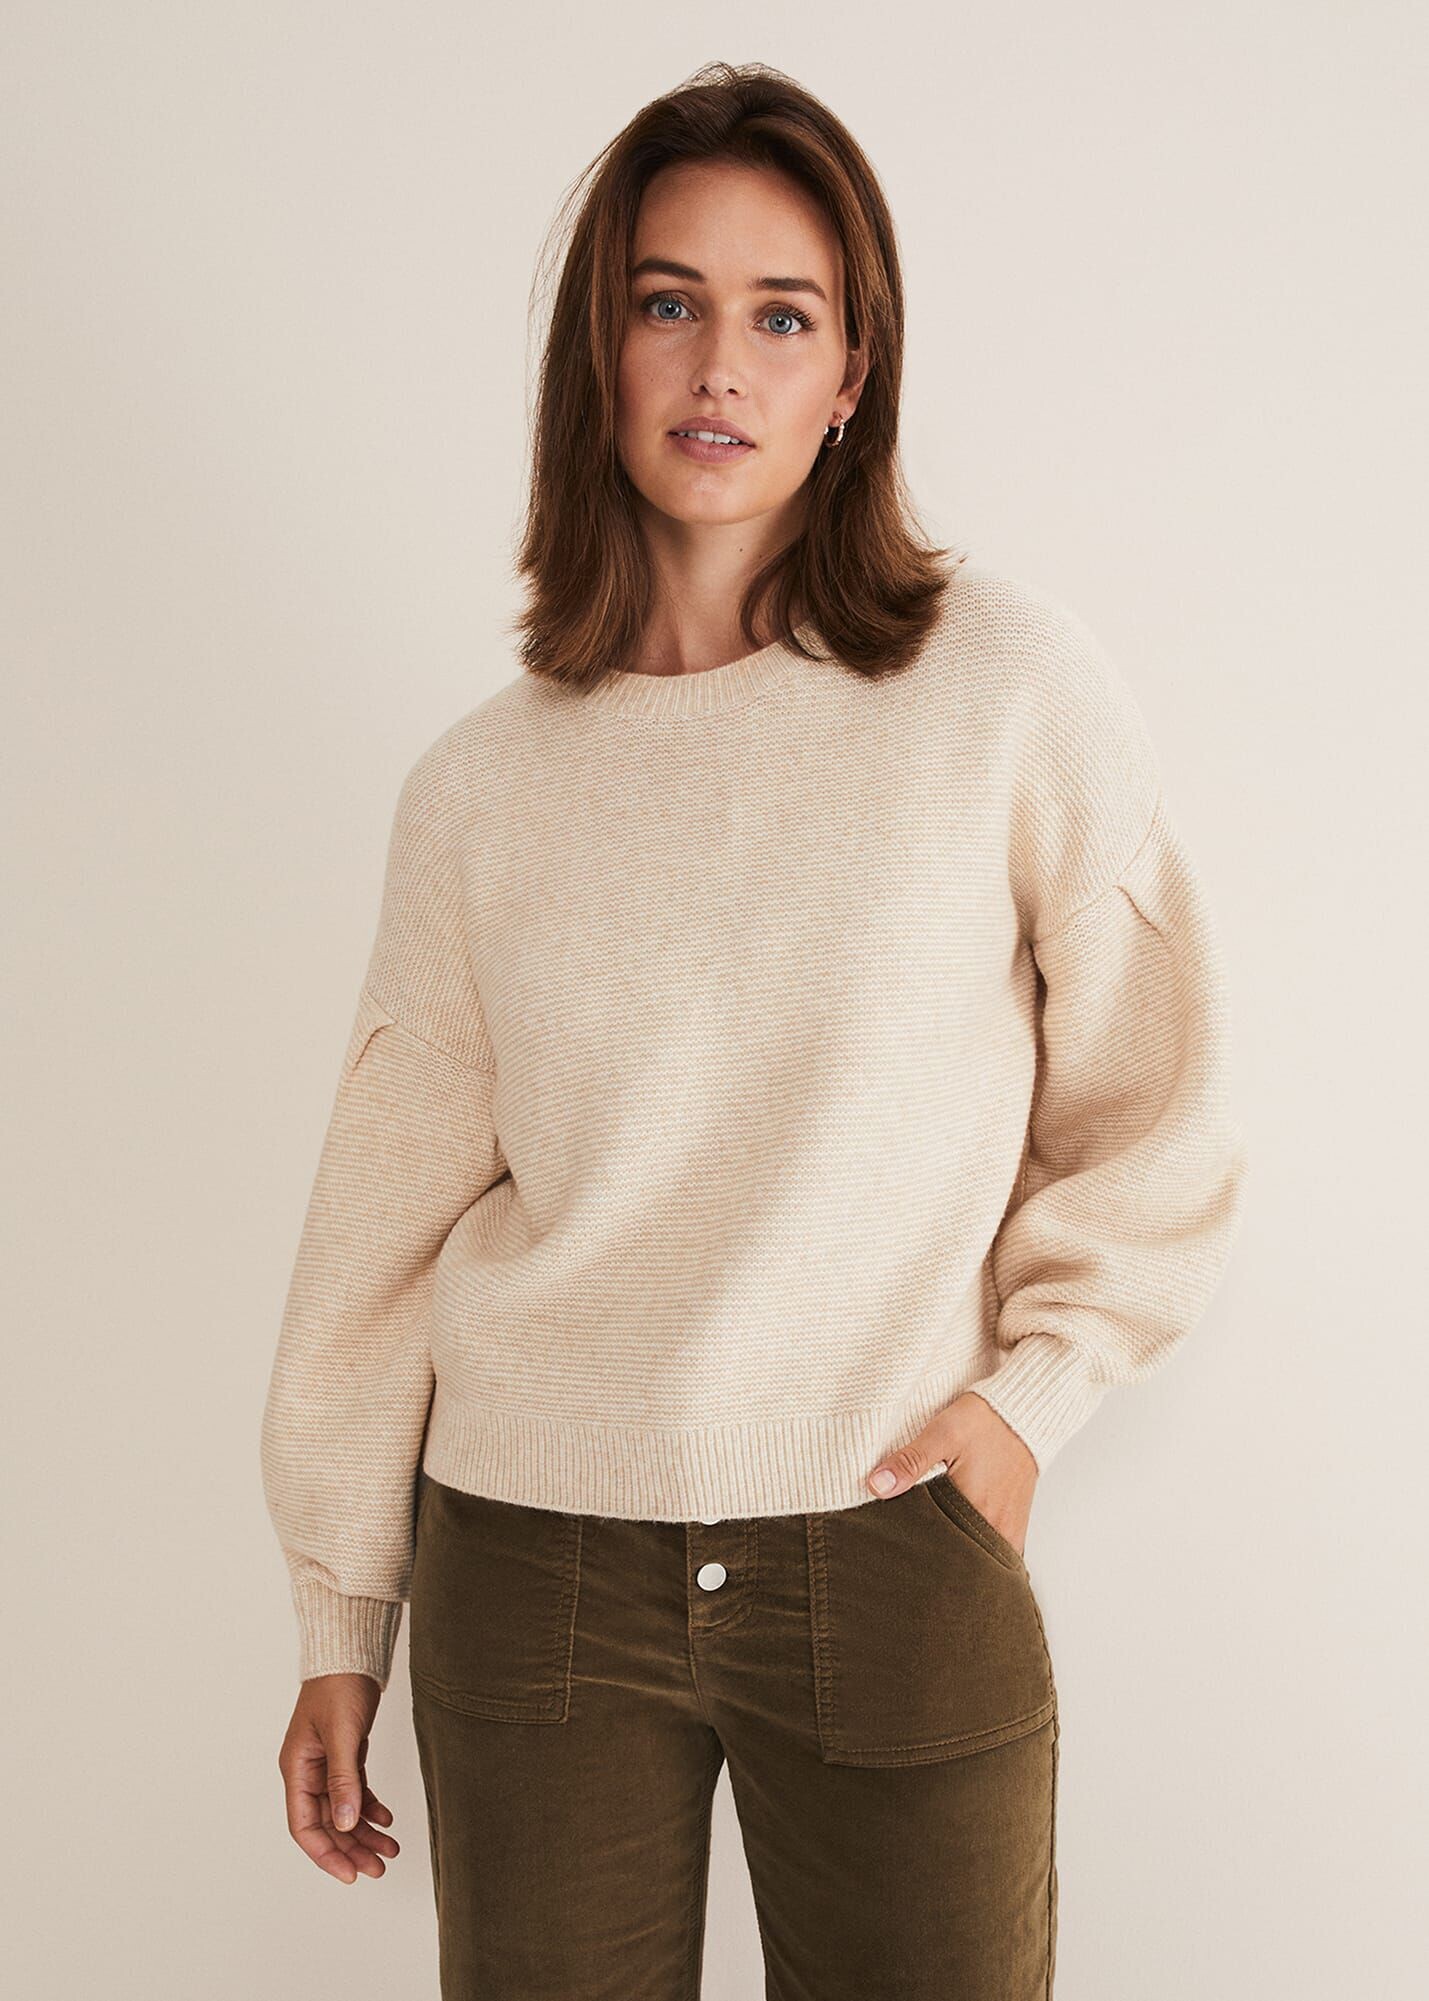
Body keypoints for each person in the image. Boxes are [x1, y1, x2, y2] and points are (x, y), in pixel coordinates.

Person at [260, 60, 1248, 1999]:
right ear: (600, 347)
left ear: (851, 373)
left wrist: (1030, 1399)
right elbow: (378, 1226)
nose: (719, 365)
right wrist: (338, 1609)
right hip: (531, 1561)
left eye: (781, 315)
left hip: (888, 1540)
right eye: (668, 302)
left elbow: (1158, 1098)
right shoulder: (480, 789)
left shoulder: (1000, 688)